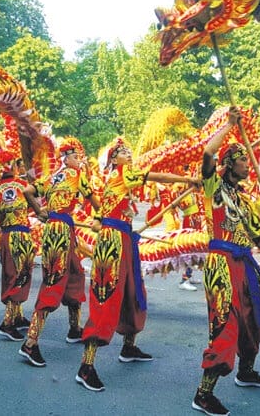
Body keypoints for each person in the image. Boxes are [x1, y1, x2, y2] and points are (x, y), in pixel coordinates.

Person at [75, 138, 200, 392]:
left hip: (124, 240)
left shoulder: (116, 182)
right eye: (122, 152)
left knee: (134, 293)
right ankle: (86, 367)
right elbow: (155, 176)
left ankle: (129, 346)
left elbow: (102, 217)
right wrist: (188, 181)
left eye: (129, 151)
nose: (128, 154)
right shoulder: (124, 173)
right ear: (113, 159)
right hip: (113, 243)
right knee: (105, 298)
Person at [191, 107, 260, 416]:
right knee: (225, 325)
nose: (249, 164)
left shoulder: (245, 200)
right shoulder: (213, 187)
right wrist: (230, 125)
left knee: (252, 321)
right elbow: (208, 152)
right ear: (230, 164)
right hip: (221, 263)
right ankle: (203, 394)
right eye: (243, 159)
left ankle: (246, 371)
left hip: (244, 264)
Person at [19, 139, 101, 365]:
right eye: (76, 157)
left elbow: (27, 190)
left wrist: (39, 211)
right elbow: (95, 202)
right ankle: (30, 343)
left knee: (75, 274)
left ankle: (74, 329)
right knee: (53, 284)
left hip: (57, 230)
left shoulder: (53, 177)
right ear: (67, 157)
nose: (79, 160)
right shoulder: (77, 176)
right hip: (61, 233)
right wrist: (103, 218)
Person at [0, 153, 45, 342]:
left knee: (10, 275)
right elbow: (39, 196)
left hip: (6, 236)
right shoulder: (23, 186)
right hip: (21, 236)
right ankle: (7, 323)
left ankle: (18, 316)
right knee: (20, 277)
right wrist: (41, 212)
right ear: (14, 166)